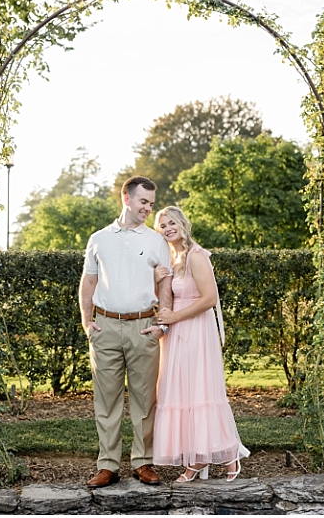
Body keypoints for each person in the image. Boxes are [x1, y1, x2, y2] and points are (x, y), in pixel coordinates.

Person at [80, 176, 174, 488]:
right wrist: (86, 320)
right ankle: (107, 465)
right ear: (126, 199)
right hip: (105, 327)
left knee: (144, 400)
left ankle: (142, 462)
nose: (149, 208)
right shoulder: (99, 239)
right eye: (143, 201)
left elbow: (165, 285)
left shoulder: (156, 241)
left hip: (143, 328)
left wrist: (161, 326)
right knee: (106, 400)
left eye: (151, 203)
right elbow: (88, 282)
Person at [151, 206, 250, 482]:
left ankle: (230, 456)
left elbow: (209, 299)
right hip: (175, 333)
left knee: (200, 392)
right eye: (162, 225)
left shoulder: (196, 255)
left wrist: (175, 317)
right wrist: (156, 281)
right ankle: (195, 459)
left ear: (183, 224)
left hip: (195, 330)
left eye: (172, 222)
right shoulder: (170, 259)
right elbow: (165, 299)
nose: (168, 228)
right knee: (180, 393)